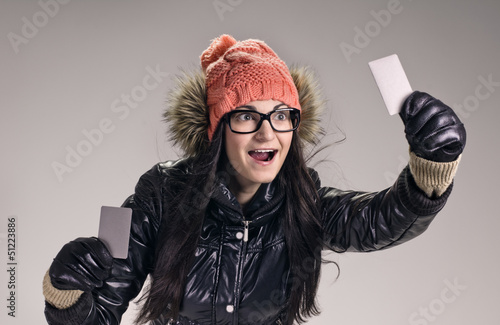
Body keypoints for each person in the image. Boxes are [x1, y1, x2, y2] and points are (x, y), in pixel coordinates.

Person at [42, 34, 466, 325]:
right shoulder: (157, 195)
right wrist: (65, 292)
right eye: (247, 115)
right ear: (217, 128)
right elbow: (99, 314)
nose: (268, 133)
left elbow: (383, 221)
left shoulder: (304, 199)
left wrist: (431, 165)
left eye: (282, 115)